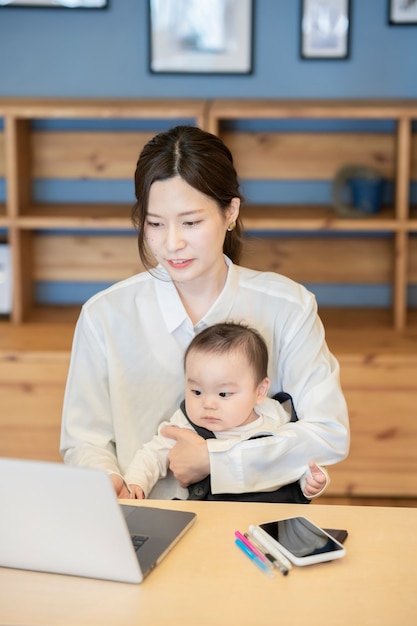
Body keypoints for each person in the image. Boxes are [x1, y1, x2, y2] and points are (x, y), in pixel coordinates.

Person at [60, 124, 349, 500]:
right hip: (142, 521)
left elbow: (328, 433)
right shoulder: (104, 316)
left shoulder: (287, 307)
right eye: (155, 224)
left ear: (230, 212)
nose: (172, 243)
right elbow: (84, 440)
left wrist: (217, 459)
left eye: (191, 222)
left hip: (254, 527)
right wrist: (106, 479)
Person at [124, 321, 329, 503]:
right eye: (196, 391)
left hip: (274, 517)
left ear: (260, 391)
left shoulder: (275, 416)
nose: (208, 404)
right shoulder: (186, 423)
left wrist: (309, 481)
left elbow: (293, 456)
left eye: (223, 393)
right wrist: (136, 482)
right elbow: (153, 453)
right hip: (212, 518)